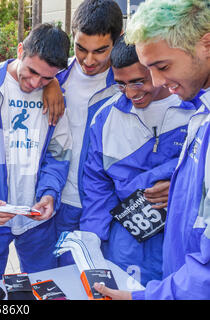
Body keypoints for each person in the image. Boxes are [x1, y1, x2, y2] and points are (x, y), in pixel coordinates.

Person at [93, 0, 210, 299]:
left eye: (162, 66)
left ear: (206, 44)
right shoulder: (201, 113)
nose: (157, 82)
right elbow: (96, 184)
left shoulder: (194, 109)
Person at [80, 35, 197, 286]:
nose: (131, 93)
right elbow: (97, 185)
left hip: (182, 234)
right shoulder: (104, 118)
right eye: (121, 84)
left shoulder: (196, 109)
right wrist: (91, 240)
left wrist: (182, 184)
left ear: (155, 68)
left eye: (138, 82)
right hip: (127, 238)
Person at [0, 23, 73, 281]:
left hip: (37, 217)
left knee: (45, 287)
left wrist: (49, 194)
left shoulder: (55, 97)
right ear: (20, 50)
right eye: (32, 71)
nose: (35, 83)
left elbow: (57, 156)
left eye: (46, 77)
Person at [53, 0, 123, 240]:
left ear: (118, 38)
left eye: (101, 50)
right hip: (53, 202)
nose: (89, 60)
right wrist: (51, 81)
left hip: (102, 206)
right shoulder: (53, 77)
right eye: (81, 48)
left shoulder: (131, 86)